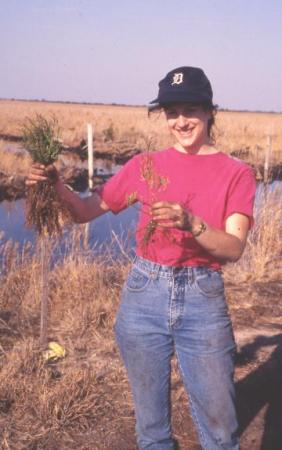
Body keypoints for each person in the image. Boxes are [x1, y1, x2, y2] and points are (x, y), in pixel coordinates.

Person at [26, 66, 256, 450]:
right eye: (171, 112)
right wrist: (56, 188)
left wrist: (191, 224)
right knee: (151, 433)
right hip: (144, 293)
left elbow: (234, 248)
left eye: (191, 110)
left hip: (203, 295)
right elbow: (85, 212)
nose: (181, 121)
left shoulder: (237, 172)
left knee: (221, 432)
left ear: (209, 111)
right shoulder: (144, 166)